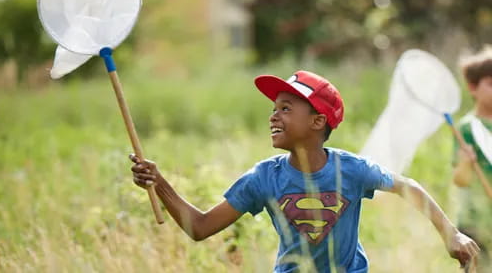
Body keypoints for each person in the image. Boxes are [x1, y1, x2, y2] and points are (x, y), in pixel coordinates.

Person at [130, 70, 480, 272]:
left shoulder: (351, 171)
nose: (273, 116)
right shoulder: (264, 177)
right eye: (273, 108)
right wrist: (161, 184)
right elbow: (201, 227)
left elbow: (409, 187)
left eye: (285, 108)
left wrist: (452, 235)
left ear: (317, 121)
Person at [453, 46, 492, 272]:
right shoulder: (468, 128)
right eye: (491, 83)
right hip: (475, 221)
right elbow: (461, 179)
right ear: (473, 88)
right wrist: (466, 161)